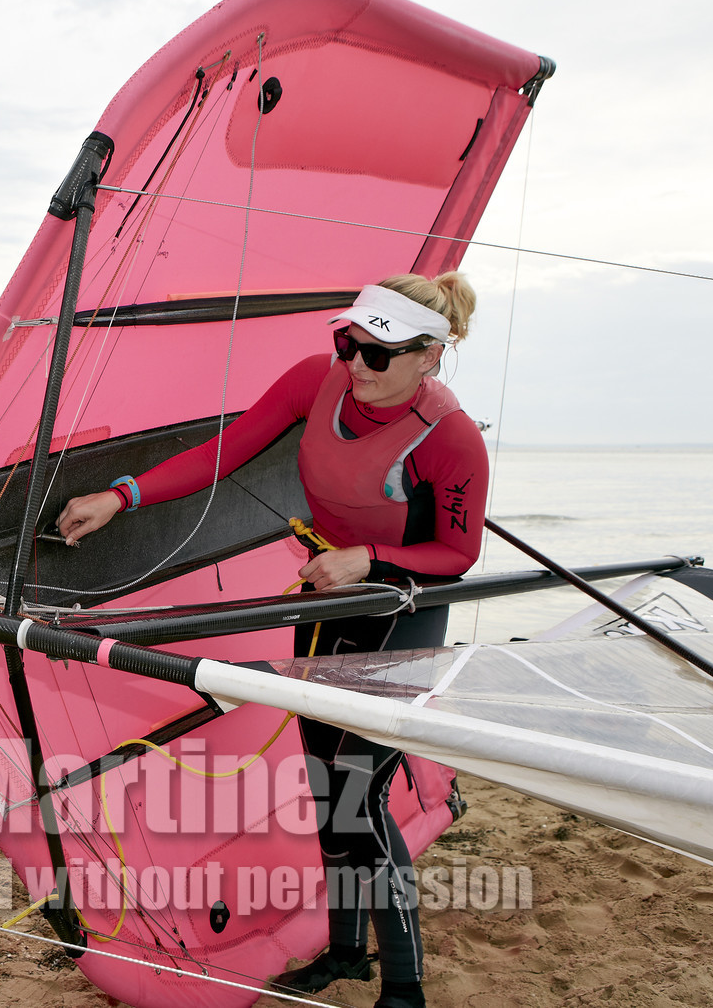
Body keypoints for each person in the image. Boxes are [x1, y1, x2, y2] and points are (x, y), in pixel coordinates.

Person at [55, 274, 487, 1008]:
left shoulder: (450, 438)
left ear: (428, 358)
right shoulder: (314, 384)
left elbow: (458, 552)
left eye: (377, 355)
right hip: (326, 608)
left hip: (400, 618)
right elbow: (225, 451)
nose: (354, 364)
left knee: (362, 792)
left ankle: (405, 990)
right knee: (324, 789)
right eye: (348, 343)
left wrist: (371, 562)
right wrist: (120, 496)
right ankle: (348, 952)